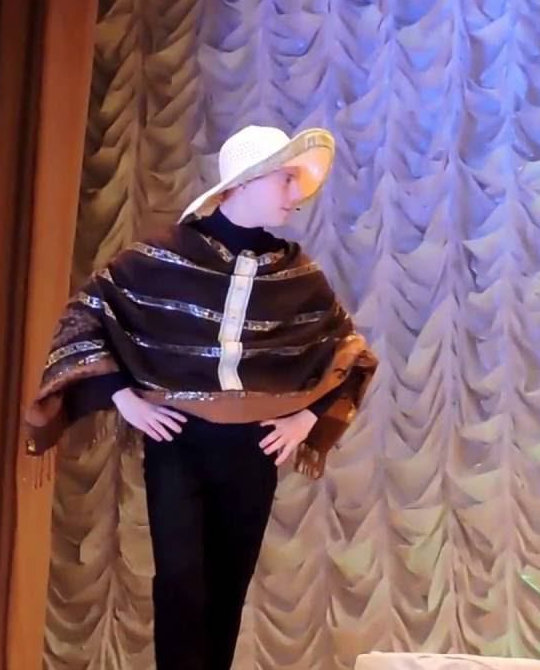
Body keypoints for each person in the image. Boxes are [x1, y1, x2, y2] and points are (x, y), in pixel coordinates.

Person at [23, 124, 378, 670]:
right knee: (181, 583)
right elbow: (87, 316)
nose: (297, 194)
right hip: (181, 441)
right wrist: (123, 397)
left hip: (252, 449)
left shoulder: (296, 273)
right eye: (285, 180)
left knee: (226, 587)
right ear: (246, 182)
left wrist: (306, 419)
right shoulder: (164, 256)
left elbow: (348, 352)